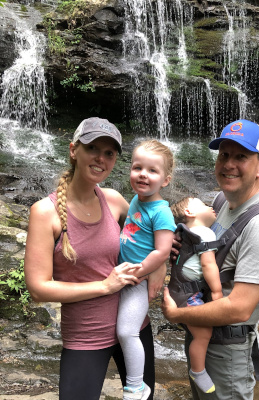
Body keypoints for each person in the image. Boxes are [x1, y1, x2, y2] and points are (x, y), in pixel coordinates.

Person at [24, 117, 165, 400]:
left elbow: (157, 233)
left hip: (134, 329)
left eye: (109, 153)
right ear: (74, 150)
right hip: (85, 337)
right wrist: (104, 286)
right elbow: (38, 289)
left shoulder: (114, 200)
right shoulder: (45, 212)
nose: (101, 158)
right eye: (93, 148)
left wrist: (160, 265)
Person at [161, 119, 259, 400]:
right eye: (224, 155)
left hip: (228, 352)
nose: (228, 164)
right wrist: (178, 245)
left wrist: (176, 314)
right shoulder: (220, 201)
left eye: (241, 156)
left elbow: (239, 308)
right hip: (203, 335)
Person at [117, 139, 176, 400]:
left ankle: (136, 386)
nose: (143, 174)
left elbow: (162, 251)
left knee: (127, 331)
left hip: (136, 282)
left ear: (165, 180)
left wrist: (138, 272)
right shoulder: (137, 200)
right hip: (124, 276)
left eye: (152, 171)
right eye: (137, 167)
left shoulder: (161, 211)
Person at [169, 197, 223, 394]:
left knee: (197, 332)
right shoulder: (204, 233)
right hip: (188, 294)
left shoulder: (183, 232)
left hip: (180, 291)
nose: (211, 206)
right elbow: (208, 264)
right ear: (190, 213)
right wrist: (216, 291)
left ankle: (197, 368)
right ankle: (197, 371)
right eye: (203, 205)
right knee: (203, 333)